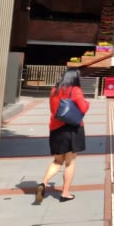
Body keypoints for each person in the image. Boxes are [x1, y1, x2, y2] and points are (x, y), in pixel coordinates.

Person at [36, 69, 89, 203]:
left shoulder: (54, 90)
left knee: (57, 161)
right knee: (70, 162)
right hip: (71, 129)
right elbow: (83, 108)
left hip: (55, 129)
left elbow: (53, 110)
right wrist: (87, 103)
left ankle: (43, 183)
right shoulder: (75, 90)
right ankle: (65, 193)